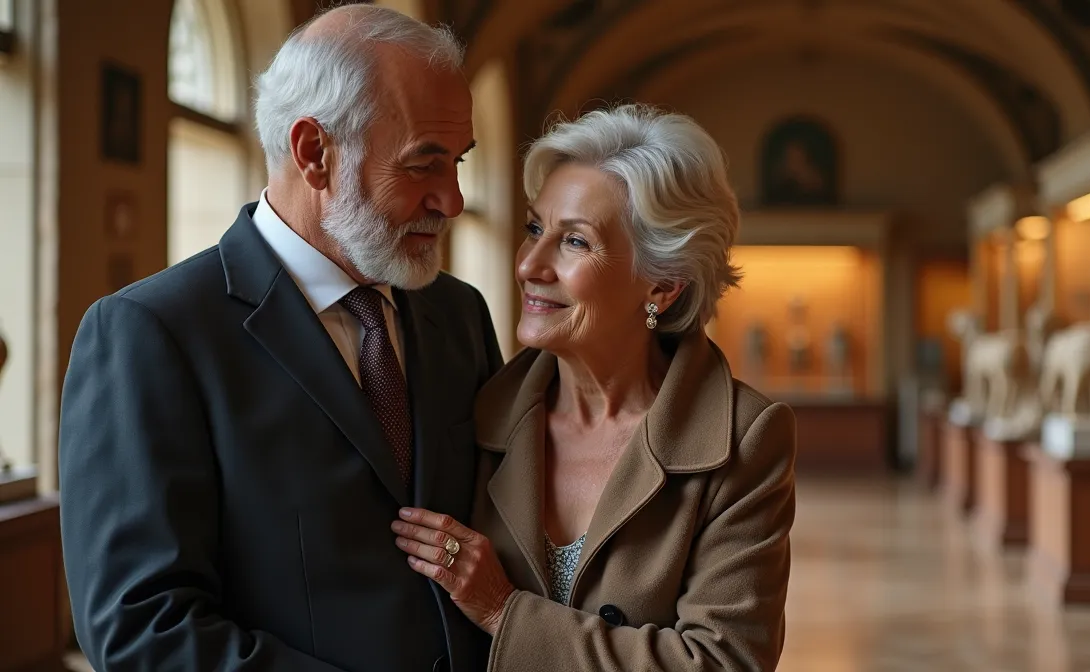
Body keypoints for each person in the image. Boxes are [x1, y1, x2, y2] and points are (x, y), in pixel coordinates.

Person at [58, 7, 500, 671]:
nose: (453, 200)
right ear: (314, 153)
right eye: (423, 166)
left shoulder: (460, 314)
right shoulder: (153, 334)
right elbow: (142, 631)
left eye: (458, 163)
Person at [391, 104, 798, 670]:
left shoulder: (745, 438)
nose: (531, 264)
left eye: (575, 242)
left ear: (662, 285)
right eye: (535, 228)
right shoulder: (474, 403)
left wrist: (503, 612)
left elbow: (725, 661)